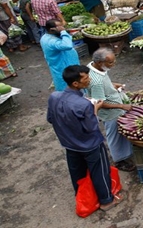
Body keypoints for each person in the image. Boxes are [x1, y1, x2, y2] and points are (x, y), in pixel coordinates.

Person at [47, 65, 126, 212]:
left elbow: (51, 119)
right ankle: (106, 201)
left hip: (69, 144)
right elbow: (91, 127)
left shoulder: (54, 97)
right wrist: (95, 108)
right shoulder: (84, 105)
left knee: (77, 171)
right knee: (100, 171)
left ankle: (82, 196)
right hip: (90, 145)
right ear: (76, 83)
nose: (89, 80)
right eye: (85, 78)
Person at [86, 48, 135, 172]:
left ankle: (124, 152)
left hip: (115, 106)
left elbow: (105, 83)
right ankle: (119, 160)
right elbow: (99, 103)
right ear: (99, 62)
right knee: (114, 135)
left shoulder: (95, 68)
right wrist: (122, 106)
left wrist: (113, 85)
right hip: (110, 113)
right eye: (110, 63)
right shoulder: (96, 81)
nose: (114, 64)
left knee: (119, 132)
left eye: (114, 61)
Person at [41, 19, 80, 91]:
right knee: (68, 89)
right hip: (63, 68)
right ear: (51, 29)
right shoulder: (51, 41)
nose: (62, 28)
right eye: (60, 27)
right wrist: (63, 32)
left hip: (68, 66)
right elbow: (68, 46)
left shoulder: (49, 36)